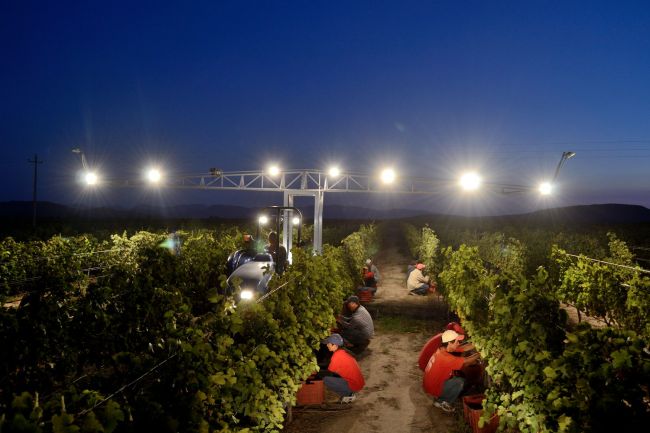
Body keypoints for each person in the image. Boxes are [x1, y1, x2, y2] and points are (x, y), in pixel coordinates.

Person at [423, 330, 481, 413]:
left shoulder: (443, 349)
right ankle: (442, 402)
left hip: (429, 384)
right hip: (432, 390)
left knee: (455, 375)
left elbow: (464, 348)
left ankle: (443, 394)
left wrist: (478, 343)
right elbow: (466, 362)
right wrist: (480, 353)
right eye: (457, 342)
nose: (459, 343)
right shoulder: (445, 358)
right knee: (459, 381)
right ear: (449, 343)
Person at [317, 333, 365, 403]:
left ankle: (349, 395)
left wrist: (317, 372)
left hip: (354, 385)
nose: (327, 345)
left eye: (328, 344)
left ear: (335, 345)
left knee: (326, 379)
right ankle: (348, 392)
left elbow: (329, 372)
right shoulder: (343, 352)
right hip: (358, 382)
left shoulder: (337, 356)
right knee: (330, 376)